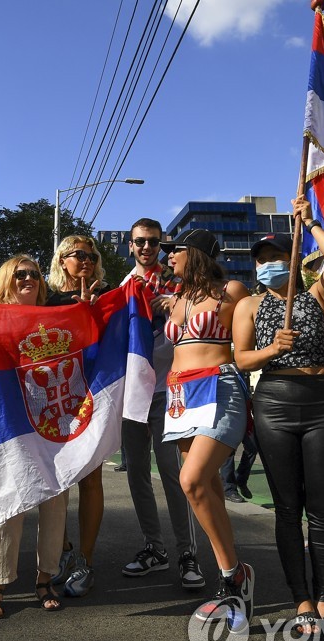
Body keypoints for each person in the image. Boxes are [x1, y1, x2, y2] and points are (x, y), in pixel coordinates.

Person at [232, 199, 324, 638]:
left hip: (321, 403)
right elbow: (242, 359)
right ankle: (300, 599)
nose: (267, 265)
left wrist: (310, 223)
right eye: (260, 260)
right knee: (287, 508)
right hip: (274, 401)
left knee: (321, 509)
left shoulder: (319, 295)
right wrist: (272, 350)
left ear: (295, 258)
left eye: (277, 257)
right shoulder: (248, 305)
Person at [0, 254, 68, 619]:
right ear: (6, 280)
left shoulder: (54, 316)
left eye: (34, 274)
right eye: (20, 274)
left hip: (49, 422)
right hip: (5, 423)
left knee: (55, 498)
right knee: (7, 498)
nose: (28, 278)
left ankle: (45, 577)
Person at [155, 228, 254, 623]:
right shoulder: (175, 297)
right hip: (180, 396)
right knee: (206, 491)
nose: (167, 258)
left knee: (192, 482)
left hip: (220, 385)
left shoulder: (232, 290)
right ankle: (231, 580)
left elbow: (249, 341)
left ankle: (233, 577)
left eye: (173, 252)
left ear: (193, 253)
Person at [117, 218, 202, 591]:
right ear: (130, 245)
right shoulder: (123, 288)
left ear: (161, 244)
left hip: (170, 390)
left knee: (173, 474)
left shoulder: (181, 286)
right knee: (137, 472)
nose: (147, 248)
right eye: (140, 242)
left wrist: (175, 306)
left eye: (153, 242)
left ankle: (188, 553)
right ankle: (154, 547)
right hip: (134, 392)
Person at [46, 235, 104, 598]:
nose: (85, 260)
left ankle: (85, 559)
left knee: (90, 479)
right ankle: (62, 552)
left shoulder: (109, 295)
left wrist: (92, 310)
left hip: (95, 397)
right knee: (56, 482)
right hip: (52, 399)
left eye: (91, 255)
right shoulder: (46, 301)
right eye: (77, 255)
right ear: (62, 261)